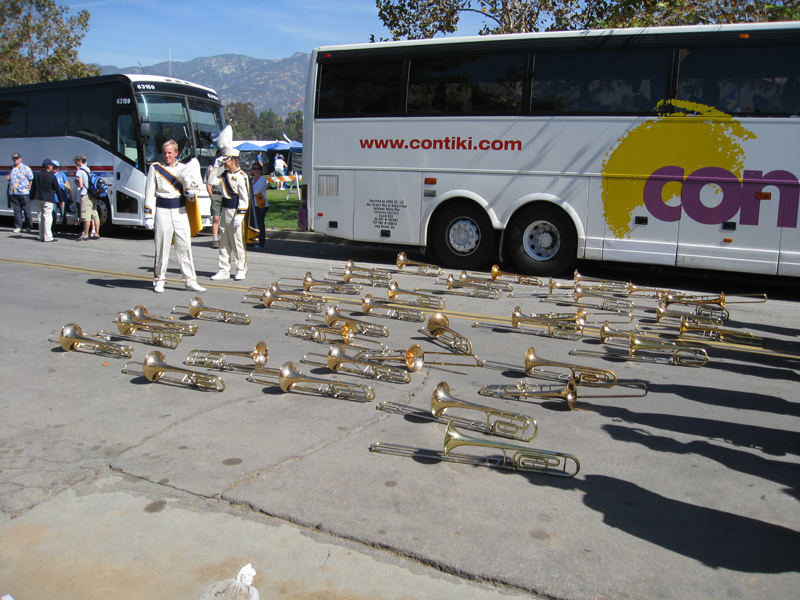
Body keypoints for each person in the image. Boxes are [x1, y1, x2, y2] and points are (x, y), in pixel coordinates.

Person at [144, 140, 206, 293]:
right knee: (162, 248)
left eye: (170, 153)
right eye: (165, 153)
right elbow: (149, 192)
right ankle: (159, 279)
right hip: (162, 211)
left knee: (185, 247)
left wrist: (191, 195)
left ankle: (190, 281)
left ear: (176, 153)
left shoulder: (185, 168)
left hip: (180, 211)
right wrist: (148, 215)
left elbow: (190, 191)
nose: (167, 156)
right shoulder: (156, 169)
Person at [207, 146, 249, 281]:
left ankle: (241, 269)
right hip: (225, 210)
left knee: (237, 242)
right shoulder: (223, 175)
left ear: (233, 160)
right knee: (223, 241)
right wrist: (216, 167)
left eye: (225, 160)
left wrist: (240, 215)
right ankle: (223, 269)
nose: (224, 162)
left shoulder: (242, 176)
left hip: (235, 211)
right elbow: (211, 181)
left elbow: (244, 198)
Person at [30, 159, 67, 242]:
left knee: (40, 217)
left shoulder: (37, 175)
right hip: (48, 199)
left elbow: (33, 187)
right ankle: (48, 237)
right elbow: (57, 189)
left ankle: (41, 236)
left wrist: (31, 197)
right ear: (49, 166)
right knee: (47, 217)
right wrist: (61, 200)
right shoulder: (51, 176)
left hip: (38, 198)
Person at [74, 154, 100, 241]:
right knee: (95, 214)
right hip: (92, 195)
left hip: (85, 195)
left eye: (76, 161)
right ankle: (97, 233)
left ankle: (85, 234)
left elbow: (81, 185)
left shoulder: (80, 171)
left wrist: (76, 182)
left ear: (79, 161)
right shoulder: (88, 170)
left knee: (86, 216)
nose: (75, 163)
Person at [6, 152, 34, 233]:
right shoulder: (11, 168)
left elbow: (31, 179)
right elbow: (10, 178)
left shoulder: (26, 168)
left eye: (17, 158)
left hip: (24, 192)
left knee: (27, 211)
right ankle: (18, 226)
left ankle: (28, 226)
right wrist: (8, 178)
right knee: (17, 211)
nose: (15, 160)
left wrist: (29, 189)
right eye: (14, 159)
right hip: (13, 192)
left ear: (20, 159)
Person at [204, 150, 223, 249]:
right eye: (219, 155)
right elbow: (208, 183)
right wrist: (211, 195)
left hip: (225, 195)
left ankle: (224, 239)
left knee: (226, 219)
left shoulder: (225, 168)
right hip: (216, 194)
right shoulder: (211, 168)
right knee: (216, 218)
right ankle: (215, 240)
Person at [250, 162, 269, 249]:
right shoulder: (251, 180)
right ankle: (252, 241)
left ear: (261, 170)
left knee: (260, 224)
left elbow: (256, 191)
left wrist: (249, 191)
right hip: (253, 205)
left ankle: (261, 242)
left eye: (258, 168)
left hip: (261, 205)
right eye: (254, 168)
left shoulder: (262, 179)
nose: (256, 170)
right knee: (252, 224)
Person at [52, 160, 72, 235]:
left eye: (56, 167)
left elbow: (67, 183)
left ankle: (63, 230)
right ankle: (53, 230)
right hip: (53, 198)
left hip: (62, 198)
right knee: (53, 214)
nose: (55, 169)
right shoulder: (50, 175)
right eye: (53, 167)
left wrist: (70, 194)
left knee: (63, 214)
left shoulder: (61, 174)